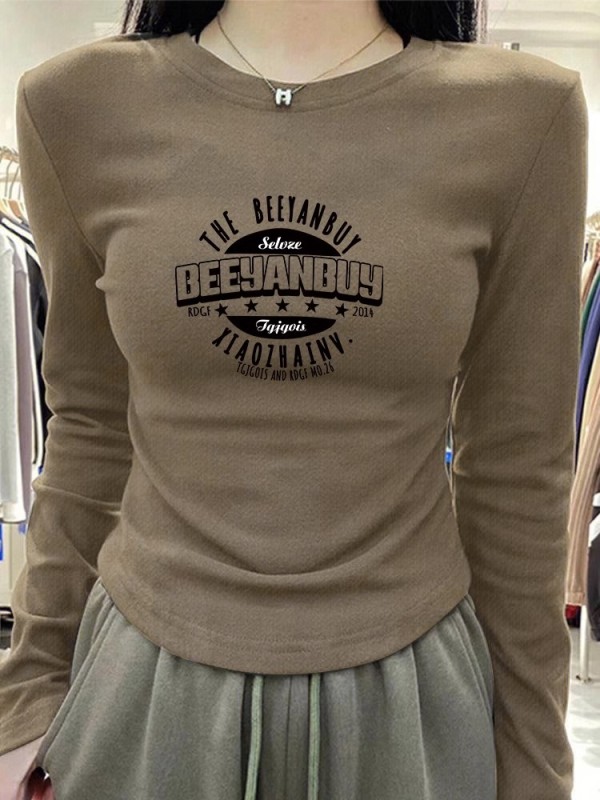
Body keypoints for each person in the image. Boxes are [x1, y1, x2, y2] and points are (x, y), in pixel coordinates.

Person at [0, 1, 588, 798]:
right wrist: (28, 692)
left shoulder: (525, 116)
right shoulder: (74, 105)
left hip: (410, 708)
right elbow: (92, 428)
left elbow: (519, 471)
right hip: (142, 694)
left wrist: (535, 762)